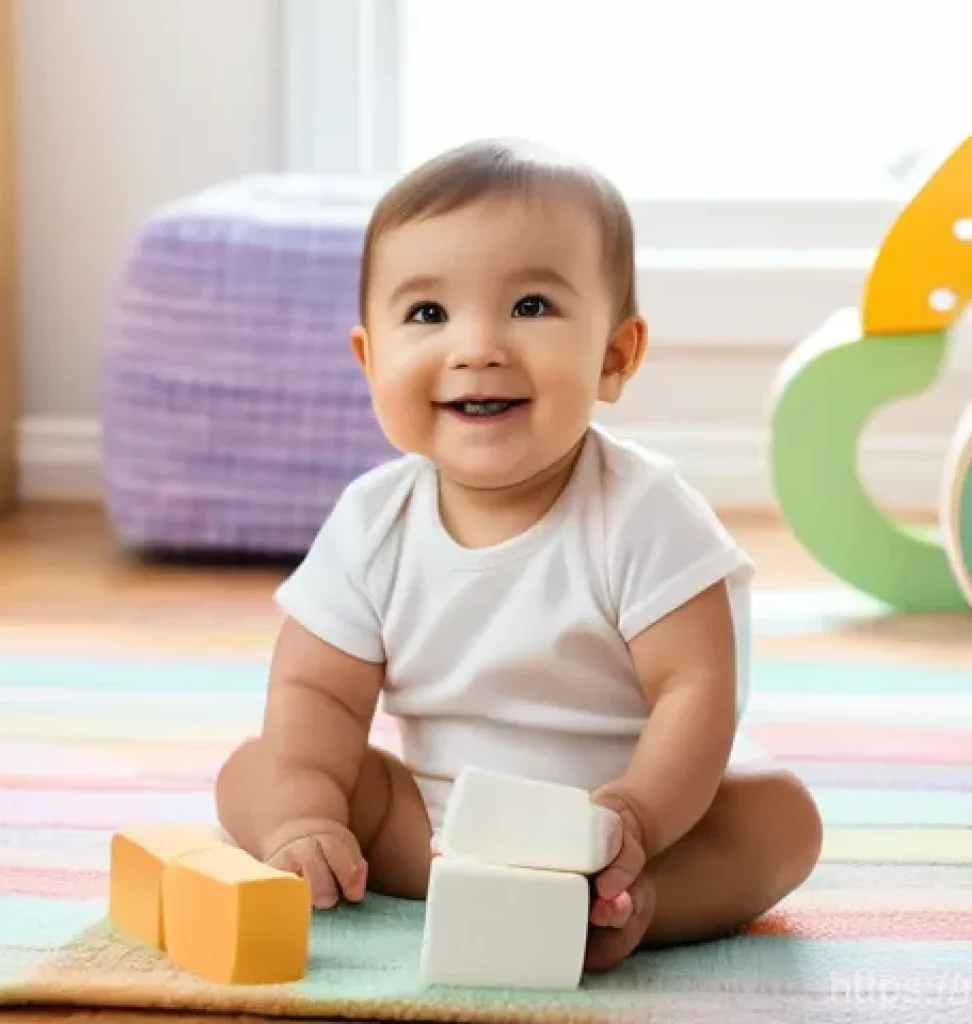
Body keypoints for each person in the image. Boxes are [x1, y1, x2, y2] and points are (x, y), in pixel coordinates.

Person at [215, 138, 823, 972]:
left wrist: (635, 820)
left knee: (781, 821)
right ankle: (363, 865)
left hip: (613, 828)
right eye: (428, 315)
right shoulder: (372, 521)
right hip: (427, 828)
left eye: (530, 307)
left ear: (615, 356)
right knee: (258, 770)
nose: (478, 347)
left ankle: (629, 909)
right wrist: (305, 810)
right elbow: (316, 686)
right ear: (370, 360)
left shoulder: (643, 511)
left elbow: (696, 689)